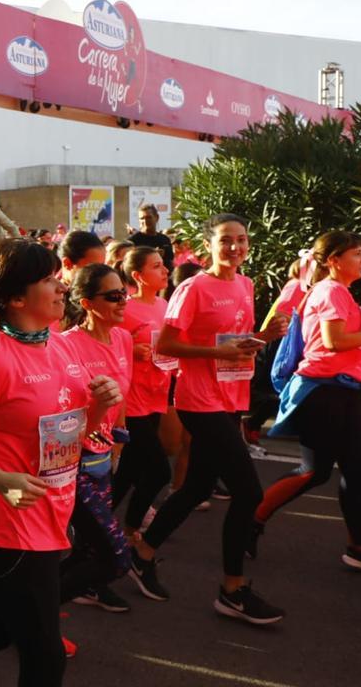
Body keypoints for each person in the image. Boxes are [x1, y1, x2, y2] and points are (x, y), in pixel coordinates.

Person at [0, 238, 122, 687]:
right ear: (15, 298)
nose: (60, 286)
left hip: (51, 514)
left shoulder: (61, 346)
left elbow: (71, 431)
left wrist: (98, 410)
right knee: (45, 658)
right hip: (7, 528)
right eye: (48, 279)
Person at [129, 214, 289, 624]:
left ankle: (142, 553)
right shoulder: (193, 287)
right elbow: (168, 344)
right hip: (199, 401)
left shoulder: (246, 284)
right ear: (209, 247)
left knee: (196, 486)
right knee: (248, 493)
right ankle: (232, 590)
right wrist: (219, 354)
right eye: (225, 241)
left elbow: (237, 343)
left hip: (230, 395)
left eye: (241, 239)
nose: (235, 247)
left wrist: (267, 336)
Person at [254, 231, 361, 572]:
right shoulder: (331, 291)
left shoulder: (338, 292)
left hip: (341, 390)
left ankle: (360, 547)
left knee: (352, 469)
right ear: (334, 260)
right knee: (316, 472)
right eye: (358, 253)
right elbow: (333, 340)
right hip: (324, 391)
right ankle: (250, 519)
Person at [60, 264, 135, 614]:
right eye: (114, 296)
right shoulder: (66, 346)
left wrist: (118, 444)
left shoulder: (123, 338)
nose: (124, 301)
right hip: (73, 464)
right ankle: (30, 609)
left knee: (90, 547)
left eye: (125, 293)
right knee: (116, 553)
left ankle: (35, 610)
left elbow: (122, 398)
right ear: (88, 303)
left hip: (104, 458)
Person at [112, 247, 175, 538]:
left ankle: (94, 524)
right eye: (157, 266)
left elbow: (169, 345)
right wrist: (131, 348)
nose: (165, 270)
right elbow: (105, 344)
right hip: (131, 400)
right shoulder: (124, 308)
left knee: (130, 470)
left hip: (156, 394)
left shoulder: (163, 306)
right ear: (138, 275)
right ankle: (132, 529)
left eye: (164, 265)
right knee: (160, 470)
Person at [127, 204, 175, 272]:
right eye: (142, 218)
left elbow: (170, 262)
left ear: (157, 217)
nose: (145, 221)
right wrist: (154, 256)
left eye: (148, 217)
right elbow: (130, 265)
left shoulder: (165, 239)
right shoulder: (132, 241)